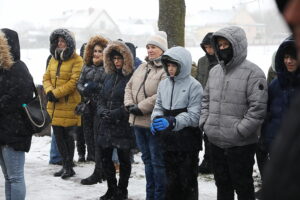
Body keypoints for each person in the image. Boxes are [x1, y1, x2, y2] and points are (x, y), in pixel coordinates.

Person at [199, 26, 268, 200]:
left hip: (241, 145)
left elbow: (258, 109)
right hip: (215, 142)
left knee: (243, 186)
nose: (222, 49)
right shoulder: (214, 72)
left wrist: (240, 130)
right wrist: (205, 123)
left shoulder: (254, 73)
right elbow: (205, 100)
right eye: (219, 45)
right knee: (222, 186)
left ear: (237, 45)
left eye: (226, 44)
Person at [151, 46, 203, 200]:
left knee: (187, 184)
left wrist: (174, 121)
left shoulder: (194, 86)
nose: (170, 69)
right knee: (170, 183)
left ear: (183, 65)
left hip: (188, 142)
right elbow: (158, 105)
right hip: (169, 141)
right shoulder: (164, 84)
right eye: (168, 65)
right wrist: (155, 119)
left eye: (174, 65)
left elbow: (195, 116)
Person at [261, 1, 300, 199]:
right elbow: (269, 114)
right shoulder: (276, 85)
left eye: (294, 56)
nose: (289, 61)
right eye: (286, 57)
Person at [124, 31, 168, 200]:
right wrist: (129, 105)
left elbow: (161, 94)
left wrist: (141, 107)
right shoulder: (142, 66)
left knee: (157, 162)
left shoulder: (165, 68)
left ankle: (159, 196)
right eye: (148, 47)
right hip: (137, 122)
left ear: (162, 50)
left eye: (154, 47)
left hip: (152, 123)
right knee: (147, 161)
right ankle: (150, 195)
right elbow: (129, 86)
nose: (150, 50)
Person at [43, 28, 83, 179]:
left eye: (63, 41)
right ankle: (64, 165)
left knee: (68, 137)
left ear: (70, 43)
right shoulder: (53, 58)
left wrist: (56, 93)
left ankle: (69, 166)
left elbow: (74, 82)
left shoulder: (78, 60)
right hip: (54, 105)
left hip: (69, 104)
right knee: (58, 136)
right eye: (58, 41)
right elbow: (46, 77)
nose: (60, 44)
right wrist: (48, 91)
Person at [0, 28, 35, 200]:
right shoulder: (2, 69)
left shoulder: (18, 68)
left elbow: (21, 97)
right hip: (3, 131)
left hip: (15, 132)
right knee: (8, 178)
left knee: (15, 177)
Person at [97, 40, 134, 200]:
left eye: (120, 58)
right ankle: (111, 188)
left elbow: (131, 101)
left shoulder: (131, 78)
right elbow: (101, 98)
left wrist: (117, 113)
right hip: (106, 123)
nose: (117, 62)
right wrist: (102, 111)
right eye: (114, 59)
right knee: (105, 157)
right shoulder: (109, 76)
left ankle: (122, 190)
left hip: (122, 124)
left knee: (124, 159)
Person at [77, 35, 108, 185]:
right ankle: (98, 168)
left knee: (99, 140)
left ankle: (100, 170)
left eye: (100, 51)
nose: (96, 54)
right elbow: (79, 83)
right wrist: (85, 90)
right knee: (89, 139)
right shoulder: (86, 66)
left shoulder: (108, 68)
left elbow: (109, 87)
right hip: (88, 107)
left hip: (101, 107)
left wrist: (97, 89)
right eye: (95, 51)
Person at [194, 32, 218, 174]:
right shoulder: (202, 61)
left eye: (211, 47)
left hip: (216, 101)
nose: (209, 50)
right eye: (206, 47)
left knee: (212, 134)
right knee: (204, 133)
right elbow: (198, 80)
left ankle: (212, 160)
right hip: (202, 101)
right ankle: (207, 159)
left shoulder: (222, 61)